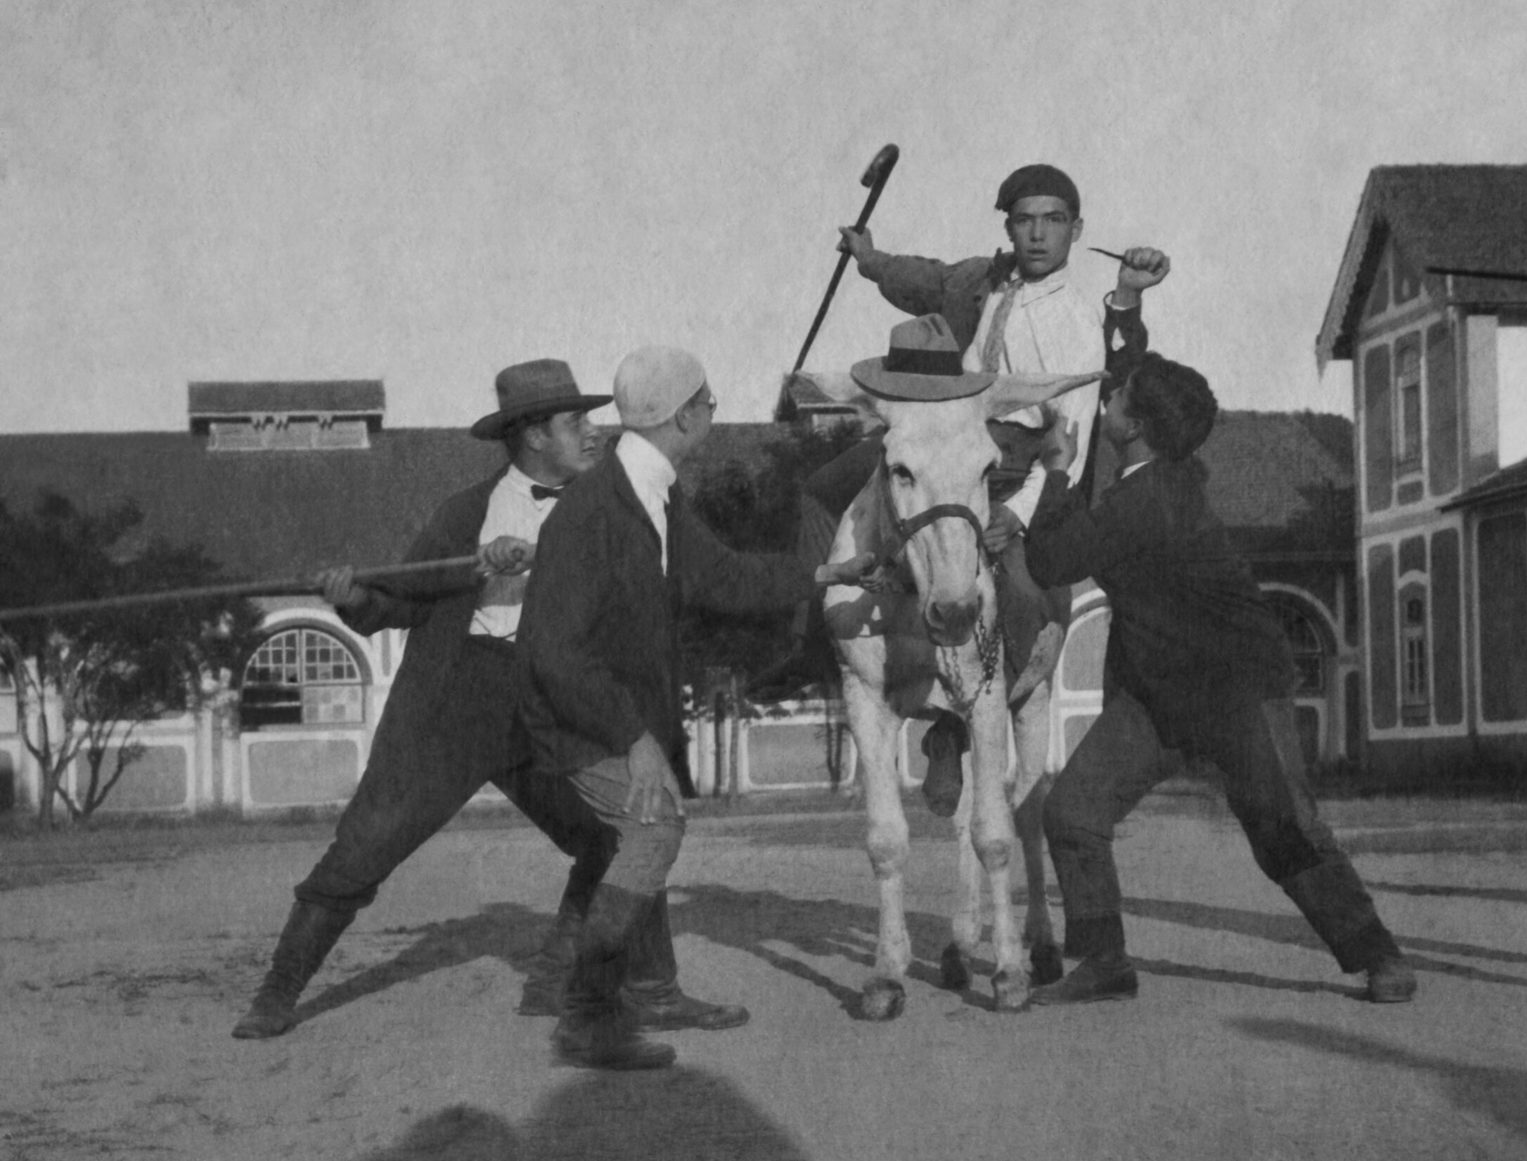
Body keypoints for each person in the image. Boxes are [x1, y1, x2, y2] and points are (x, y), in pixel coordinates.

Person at [750, 162, 1168, 813]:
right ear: (1007, 226)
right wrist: (868, 259)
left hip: (1015, 469)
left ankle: (964, 719)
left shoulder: (1077, 321)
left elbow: (1077, 426)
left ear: (1075, 231)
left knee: (1022, 592)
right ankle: (809, 632)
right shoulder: (980, 278)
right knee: (821, 488)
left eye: (1052, 222)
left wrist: (1023, 512)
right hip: (935, 436)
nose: (1036, 235)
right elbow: (922, 279)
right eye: (1024, 220)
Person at [231, 359, 618, 1039]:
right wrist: (353, 595)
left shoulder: (605, 510)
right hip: (454, 703)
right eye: (575, 422)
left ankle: (553, 979)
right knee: (363, 849)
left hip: (545, 706)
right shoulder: (464, 512)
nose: (594, 433)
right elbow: (399, 602)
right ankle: (277, 991)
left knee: (614, 834)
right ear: (532, 436)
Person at [516, 346, 877, 1070]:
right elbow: (554, 652)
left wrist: (824, 572)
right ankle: (586, 1017)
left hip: (619, 711)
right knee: (652, 828)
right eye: (709, 399)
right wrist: (634, 738)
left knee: (644, 834)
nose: (715, 409)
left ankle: (641, 992)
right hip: (574, 718)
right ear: (684, 414)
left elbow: (724, 577)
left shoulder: (658, 492)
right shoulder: (590, 512)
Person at [1022, 354, 1418, 1006]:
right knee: (1072, 810)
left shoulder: (1148, 497)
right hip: (1162, 695)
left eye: (1116, 396)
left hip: (1236, 689)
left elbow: (1050, 558)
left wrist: (1056, 467)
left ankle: (1379, 955)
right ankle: (1104, 960)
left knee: (1282, 826)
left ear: (1138, 423)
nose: (1106, 401)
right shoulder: (1155, 481)